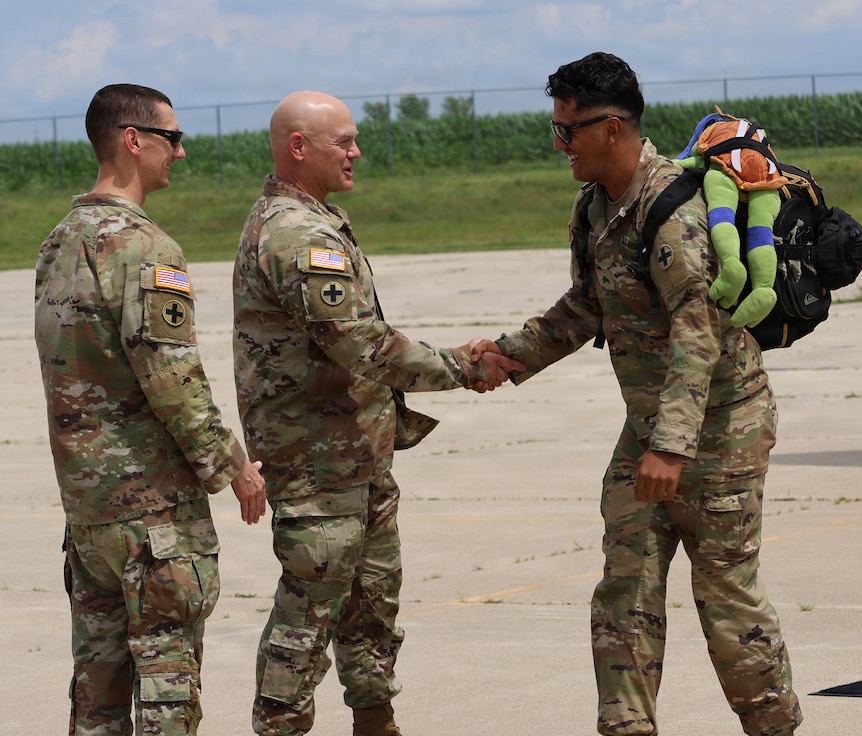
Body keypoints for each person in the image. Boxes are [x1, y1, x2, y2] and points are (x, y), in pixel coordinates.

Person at [471, 53, 803, 736]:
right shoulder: (595, 207)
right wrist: (509, 353)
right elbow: (586, 306)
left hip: (721, 430)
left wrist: (672, 450)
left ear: (612, 129)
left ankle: (774, 727)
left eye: (567, 131)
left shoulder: (673, 212)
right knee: (625, 590)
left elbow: (698, 335)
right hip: (650, 431)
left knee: (726, 598)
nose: (558, 144)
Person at [232, 90, 522, 736]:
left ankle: (375, 720)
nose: (356, 152)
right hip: (317, 468)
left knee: (372, 608)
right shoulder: (295, 234)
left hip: (356, 458)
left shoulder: (317, 220)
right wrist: (462, 365)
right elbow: (361, 344)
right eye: (344, 141)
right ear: (298, 147)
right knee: (307, 620)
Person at [34, 83, 267, 736]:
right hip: (153, 518)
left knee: (97, 699)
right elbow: (171, 378)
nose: (181, 152)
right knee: (168, 700)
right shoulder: (143, 246)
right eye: (172, 138)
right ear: (133, 140)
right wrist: (235, 467)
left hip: (89, 513)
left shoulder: (57, 243)